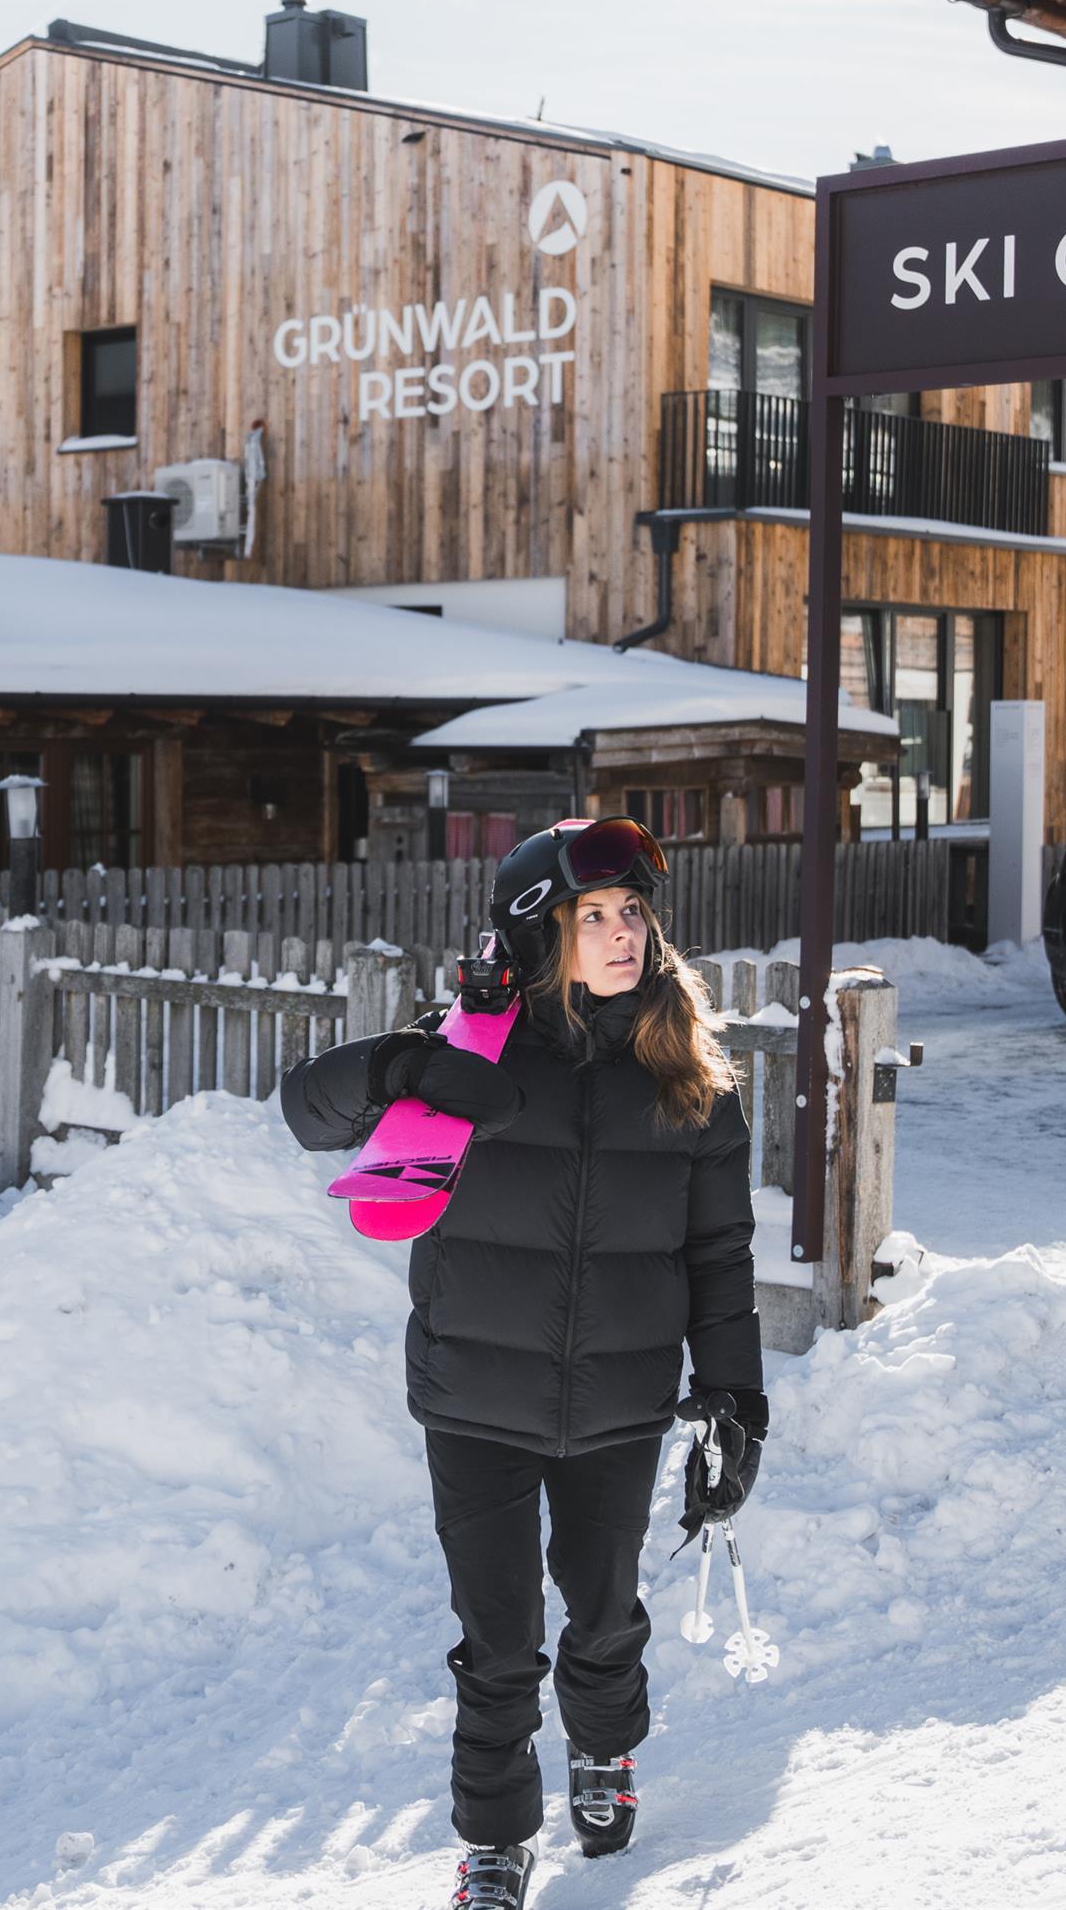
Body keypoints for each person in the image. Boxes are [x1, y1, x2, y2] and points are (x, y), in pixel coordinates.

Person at [280, 816, 767, 1908]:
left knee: (603, 1611)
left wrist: (736, 1400)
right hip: (475, 1395)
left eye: (632, 912)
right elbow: (306, 1111)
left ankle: (603, 1746)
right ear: (543, 935)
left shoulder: (689, 1073)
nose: (623, 933)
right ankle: (495, 1844)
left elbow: (718, 1252)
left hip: (620, 1399)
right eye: (593, 916)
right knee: (497, 1642)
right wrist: (406, 1064)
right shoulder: (469, 1053)